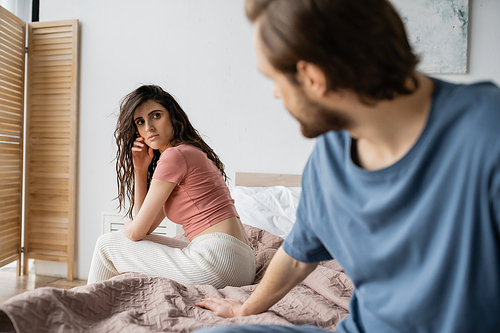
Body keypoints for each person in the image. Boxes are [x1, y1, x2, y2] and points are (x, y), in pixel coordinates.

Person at [194, 0, 500, 332]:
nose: (276, 95)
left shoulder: (487, 135)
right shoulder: (331, 155)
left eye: (274, 79)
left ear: (313, 78)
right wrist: (244, 312)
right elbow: (298, 255)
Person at [87, 85, 255, 288]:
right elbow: (145, 228)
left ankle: (83, 310)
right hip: (240, 262)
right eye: (140, 122)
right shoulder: (188, 152)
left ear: (172, 116)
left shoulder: (175, 155)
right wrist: (140, 171)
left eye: (155, 116)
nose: (148, 127)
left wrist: (127, 227)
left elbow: (135, 232)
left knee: (106, 244)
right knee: (124, 241)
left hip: (220, 260)